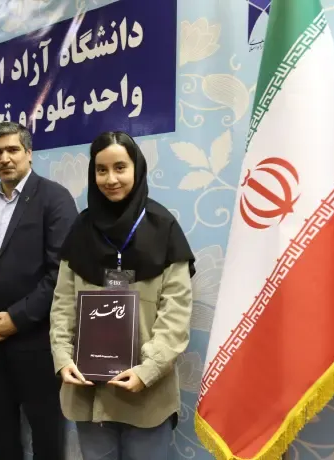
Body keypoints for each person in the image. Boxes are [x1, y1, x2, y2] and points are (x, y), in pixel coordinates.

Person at [49, 131, 196, 460]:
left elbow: (176, 314)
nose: (110, 179)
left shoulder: (164, 228)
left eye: (120, 167)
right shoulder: (80, 230)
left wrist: (148, 371)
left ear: (137, 169)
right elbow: (62, 305)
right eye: (101, 170)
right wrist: (62, 359)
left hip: (146, 395)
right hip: (87, 391)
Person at [0, 121, 78, 460]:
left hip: (36, 341)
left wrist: (17, 318)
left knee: (45, 433)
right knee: (0, 432)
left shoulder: (54, 198)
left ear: (29, 153)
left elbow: (62, 274)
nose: (4, 158)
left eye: (13, 150)